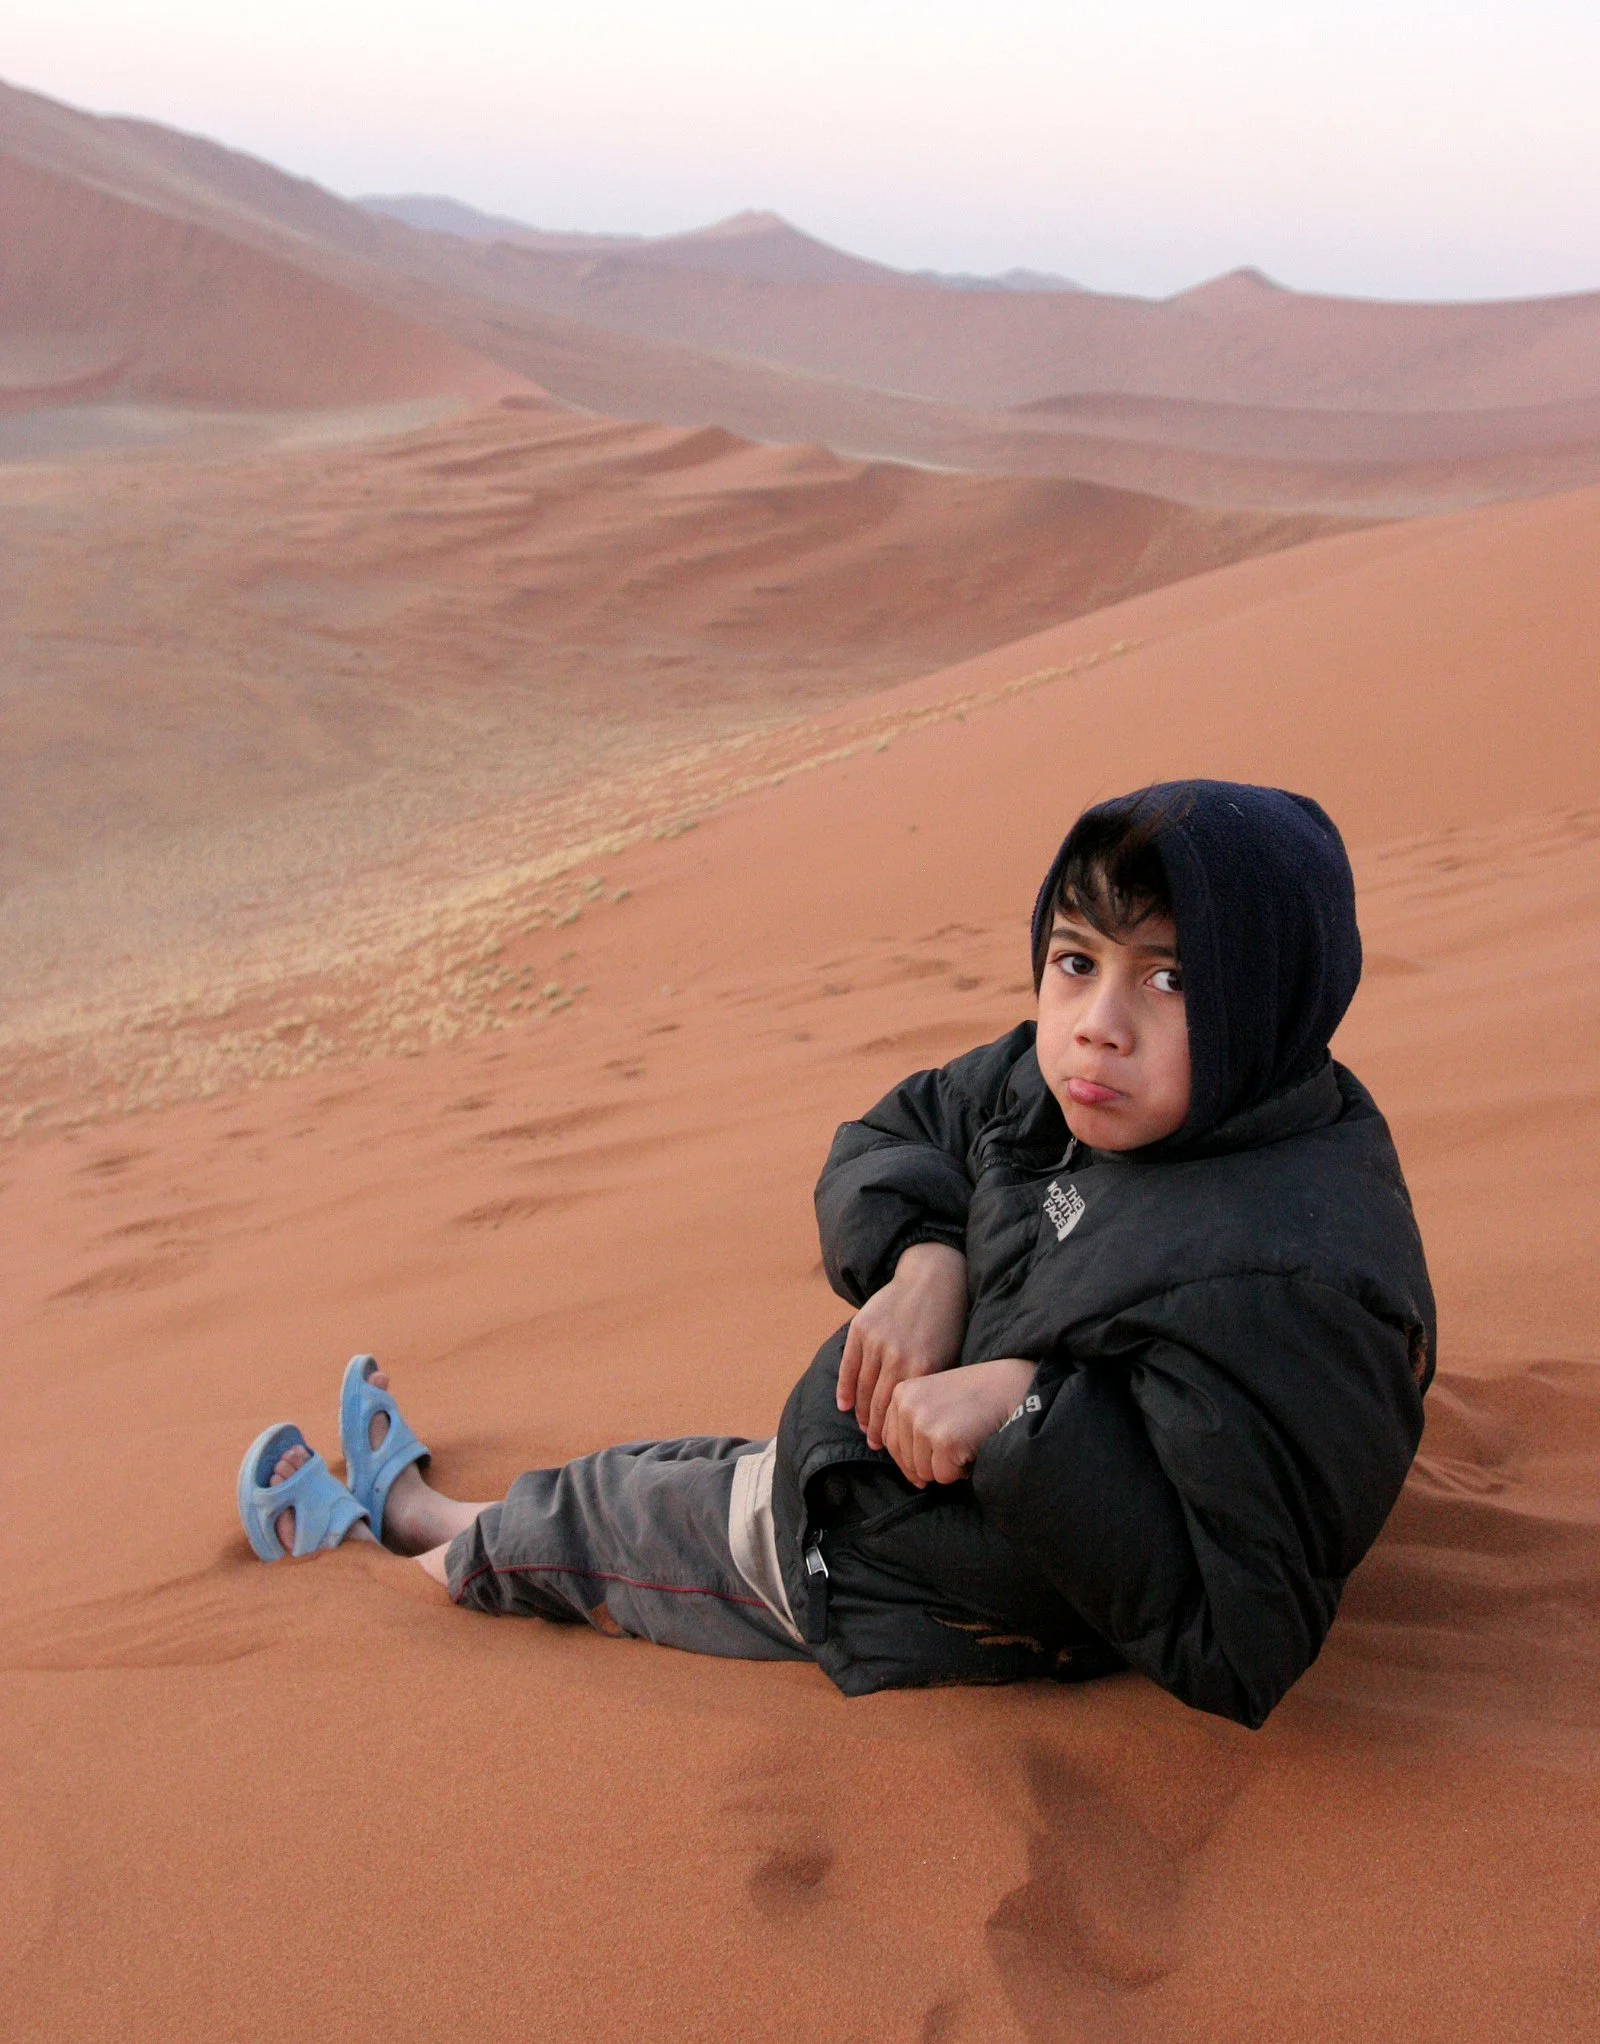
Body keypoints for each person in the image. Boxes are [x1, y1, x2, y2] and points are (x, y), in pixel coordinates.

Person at [238, 779, 1435, 1728]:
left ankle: (379, 1569)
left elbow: (1245, 1633)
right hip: (867, 1480)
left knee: (620, 1534)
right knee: (658, 1476)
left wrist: (1027, 1412)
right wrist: (928, 1263)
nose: (1096, 1021)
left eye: (1168, 978)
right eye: (1076, 959)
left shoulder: (1286, 1277)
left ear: (1268, 1002)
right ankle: (423, 1510)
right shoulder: (1081, 1087)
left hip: (877, 1584)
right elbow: (906, 1129)